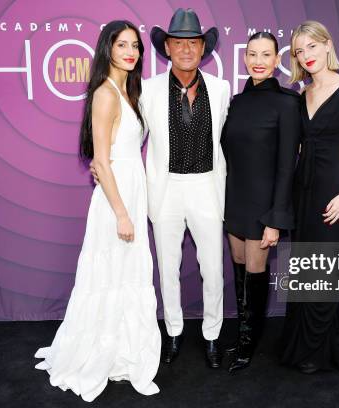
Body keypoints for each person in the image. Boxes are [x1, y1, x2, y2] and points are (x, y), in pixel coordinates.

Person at [90, 8, 230, 368]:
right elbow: (125, 135)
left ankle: (212, 336)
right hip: (164, 191)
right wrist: (102, 165)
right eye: (178, 42)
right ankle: (173, 333)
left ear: (203, 48)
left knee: (212, 269)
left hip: (206, 189)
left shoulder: (221, 88)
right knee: (167, 269)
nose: (186, 49)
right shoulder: (146, 91)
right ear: (166, 47)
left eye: (193, 43)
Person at [34, 21, 160, 401]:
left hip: (128, 190)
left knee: (125, 275)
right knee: (110, 274)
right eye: (122, 44)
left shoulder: (127, 90)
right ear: (107, 48)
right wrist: (122, 213)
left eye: (135, 45)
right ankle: (99, 354)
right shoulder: (106, 93)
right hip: (116, 198)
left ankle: (121, 350)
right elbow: (101, 162)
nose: (130, 51)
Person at [280, 21, 339, 374]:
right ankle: (299, 344)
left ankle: (317, 349)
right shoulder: (301, 94)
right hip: (302, 188)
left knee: (325, 271)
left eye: (311, 47)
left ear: (327, 45)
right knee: (303, 269)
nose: (306, 56)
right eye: (299, 51)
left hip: (334, 189)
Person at [221, 32, 300, 372]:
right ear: (244, 57)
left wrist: (275, 218)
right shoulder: (237, 102)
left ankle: (249, 342)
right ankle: (242, 332)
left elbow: (287, 166)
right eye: (252, 53)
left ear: (277, 60)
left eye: (265, 54)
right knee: (239, 270)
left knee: (255, 271)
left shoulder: (287, 102)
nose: (258, 60)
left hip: (263, 206)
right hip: (235, 199)